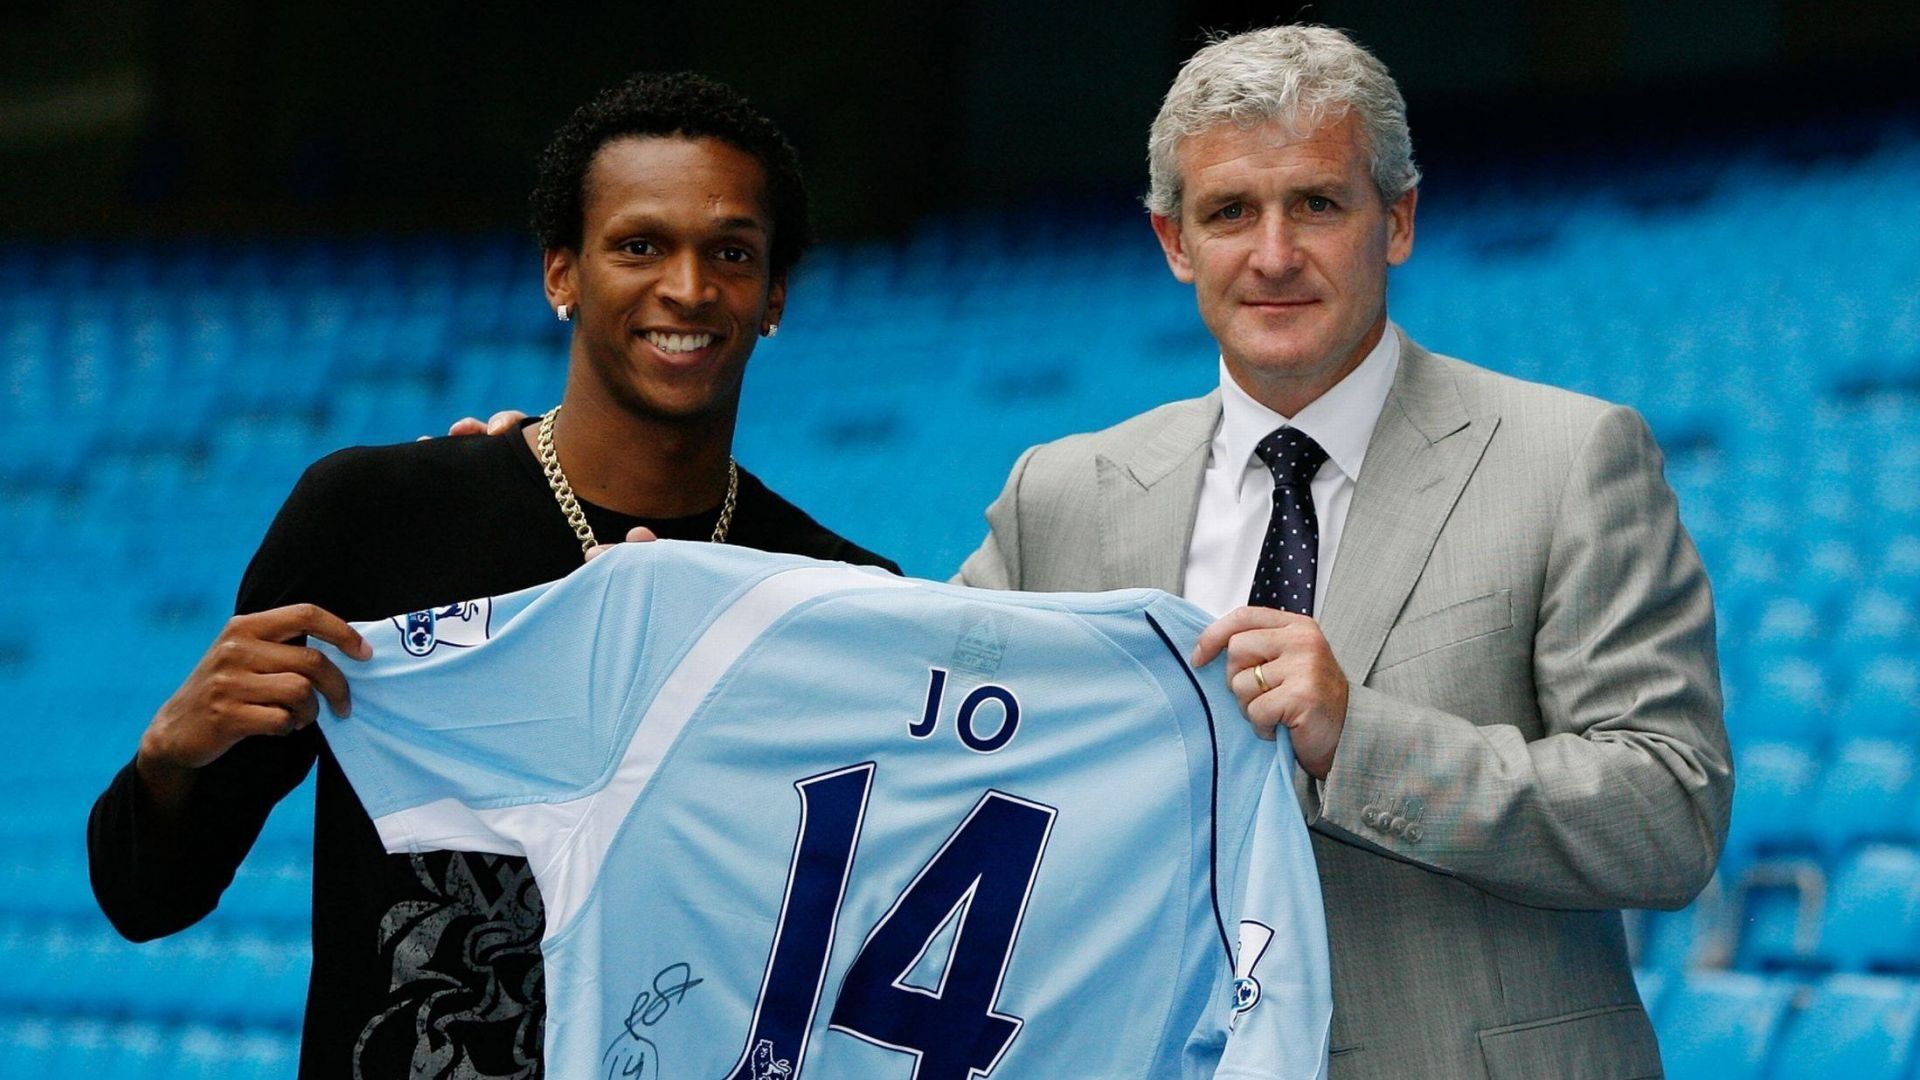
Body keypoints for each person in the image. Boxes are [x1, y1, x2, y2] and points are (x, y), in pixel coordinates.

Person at [953, 25, 1730, 1078]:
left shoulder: (1571, 459)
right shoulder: (1061, 494)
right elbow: (928, 726)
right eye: (1230, 212)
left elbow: (1667, 815)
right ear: (1174, 242)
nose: (1274, 254)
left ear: (1397, 220)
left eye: (1317, 203)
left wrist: (1357, 738)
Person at [87, 72, 895, 1079]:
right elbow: (148, 899)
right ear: (562, 274)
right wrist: (170, 759)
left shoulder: (835, 598)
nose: (688, 289)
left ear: (773, 296)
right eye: (639, 245)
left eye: (730, 253)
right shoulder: (374, 517)